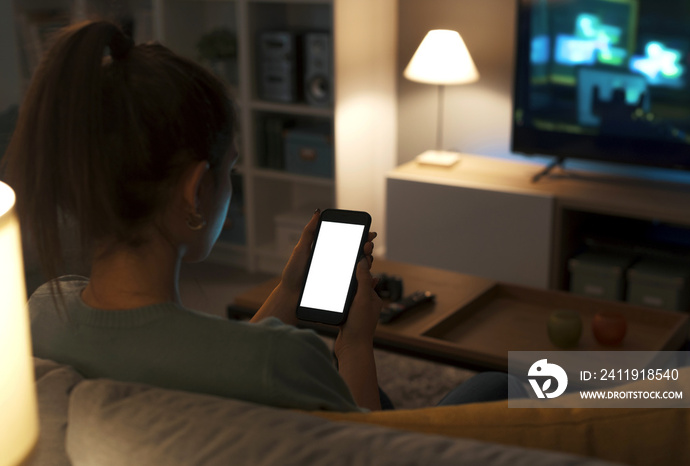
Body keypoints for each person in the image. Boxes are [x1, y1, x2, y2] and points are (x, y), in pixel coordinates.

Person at [3, 20, 526, 413]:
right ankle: (611, 380)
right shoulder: (286, 360)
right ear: (196, 190)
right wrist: (356, 342)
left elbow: (213, 362)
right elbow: (372, 447)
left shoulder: (43, 315)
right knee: (502, 384)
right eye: (231, 169)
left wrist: (288, 291)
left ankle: (610, 380)